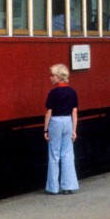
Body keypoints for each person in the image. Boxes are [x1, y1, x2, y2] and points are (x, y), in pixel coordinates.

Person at [44, 63, 79, 194]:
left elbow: (48, 112)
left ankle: (53, 188)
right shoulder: (72, 92)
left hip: (55, 121)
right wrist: (74, 130)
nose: (50, 78)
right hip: (68, 121)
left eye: (52, 75)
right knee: (68, 154)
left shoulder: (53, 92)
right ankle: (68, 186)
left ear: (59, 77)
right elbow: (74, 112)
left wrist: (46, 129)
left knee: (54, 155)